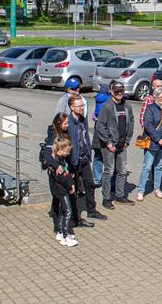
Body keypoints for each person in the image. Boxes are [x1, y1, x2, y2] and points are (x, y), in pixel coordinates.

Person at [95, 81, 135, 209]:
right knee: (109, 171)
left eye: (121, 91)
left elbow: (132, 121)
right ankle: (106, 198)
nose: (119, 93)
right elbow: (100, 125)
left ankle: (120, 195)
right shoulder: (107, 106)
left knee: (122, 171)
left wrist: (128, 139)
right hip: (109, 146)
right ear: (111, 91)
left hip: (123, 145)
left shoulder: (127, 104)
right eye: (116, 91)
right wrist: (108, 142)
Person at [67, 92, 105, 224]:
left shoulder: (82, 119)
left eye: (82, 105)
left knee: (90, 184)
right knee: (74, 189)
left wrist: (88, 152)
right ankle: (74, 216)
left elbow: (85, 138)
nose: (82, 108)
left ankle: (91, 210)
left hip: (84, 158)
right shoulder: (68, 122)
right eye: (78, 106)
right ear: (72, 107)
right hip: (74, 160)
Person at [137, 88, 162, 201]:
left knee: (159, 166)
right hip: (152, 143)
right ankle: (141, 190)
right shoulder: (150, 108)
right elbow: (148, 125)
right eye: (161, 97)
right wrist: (158, 139)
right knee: (147, 167)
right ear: (156, 97)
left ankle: (157, 188)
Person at [47, 137, 77, 247]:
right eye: (67, 151)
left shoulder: (60, 159)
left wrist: (71, 181)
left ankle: (60, 232)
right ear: (60, 149)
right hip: (61, 190)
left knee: (63, 210)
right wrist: (70, 185)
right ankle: (65, 236)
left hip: (62, 188)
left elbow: (67, 174)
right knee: (68, 211)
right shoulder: (57, 162)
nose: (68, 153)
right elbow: (61, 178)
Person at [91, 84, 111, 187]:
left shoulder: (98, 99)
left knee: (97, 157)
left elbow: (93, 116)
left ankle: (96, 179)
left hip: (97, 132)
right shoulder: (109, 99)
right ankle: (108, 180)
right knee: (108, 158)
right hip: (107, 132)